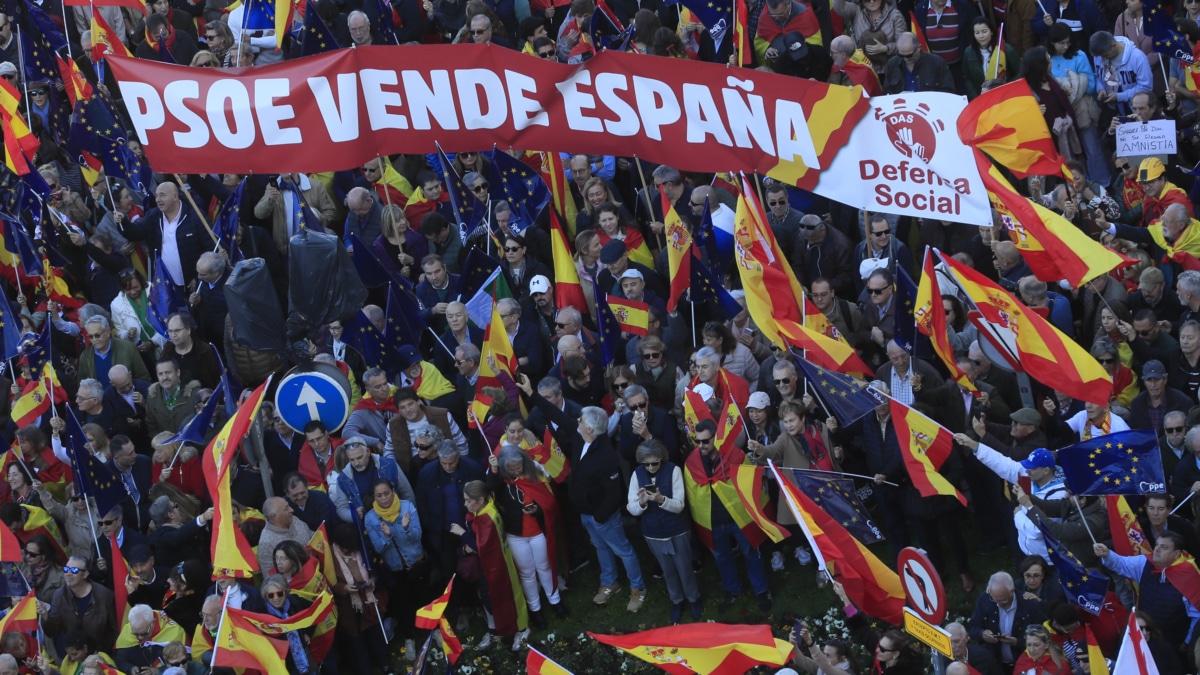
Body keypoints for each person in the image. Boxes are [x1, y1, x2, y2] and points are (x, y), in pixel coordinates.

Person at [626, 440, 700, 625]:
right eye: (647, 464)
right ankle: (677, 601)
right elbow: (632, 508)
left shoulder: (673, 470)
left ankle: (693, 598)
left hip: (677, 530)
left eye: (655, 463)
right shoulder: (637, 474)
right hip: (653, 533)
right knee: (668, 571)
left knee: (685, 568)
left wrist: (661, 499)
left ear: (662, 459)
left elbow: (679, 505)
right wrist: (642, 502)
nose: (651, 467)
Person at [450, 480, 530, 651]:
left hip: (498, 565)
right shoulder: (484, 511)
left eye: (468, 500)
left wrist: (462, 533)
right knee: (487, 596)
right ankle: (494, 631)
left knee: (506, 596)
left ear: (480, 500)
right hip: (490, 564)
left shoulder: (488, 517)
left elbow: (480, 547)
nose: (465, 504)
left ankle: (521, 629)